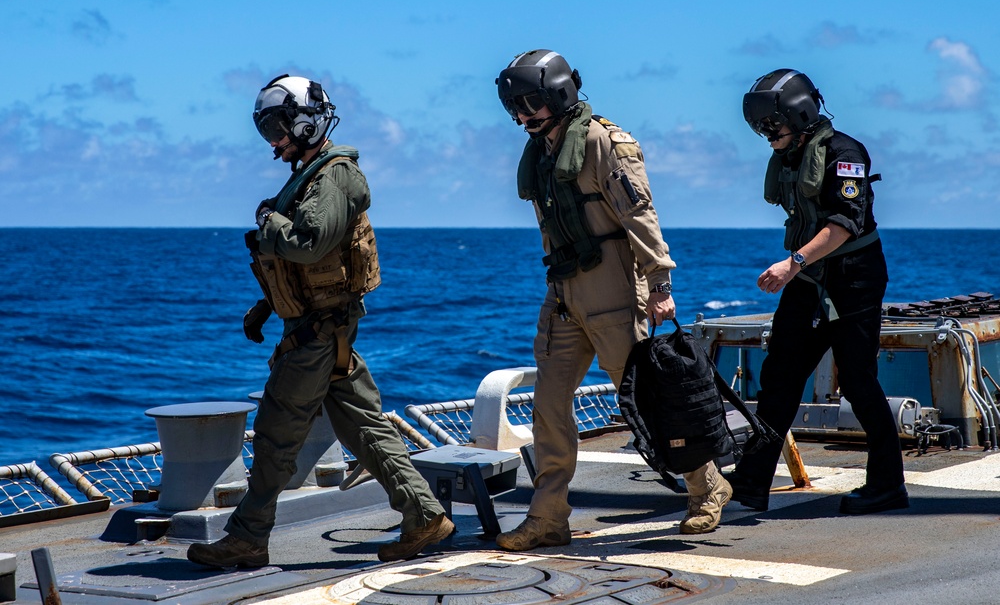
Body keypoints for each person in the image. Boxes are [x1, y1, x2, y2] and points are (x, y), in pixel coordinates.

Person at [187, 75, 453, 568]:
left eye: (278, 127)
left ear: (306, 121)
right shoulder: (311, 174)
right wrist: (269, 305)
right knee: (364, 427)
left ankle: (247, 538)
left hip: (317, 333)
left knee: (275, 433)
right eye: (267, 130)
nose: (274, 140)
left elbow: (310, 243)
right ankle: (424, 515)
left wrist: (269, 222)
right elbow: (309, 267)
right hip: (321, 327)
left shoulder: (333, 177)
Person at [493, 49, 732, 550]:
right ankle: (549, 516)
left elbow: (639, 216)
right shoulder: (543, 150)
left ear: (559, 94)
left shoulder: (603, 142)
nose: (522, 115)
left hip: (614, 291)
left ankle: (706, 486)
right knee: (549, 407)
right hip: (563, 296)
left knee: (650, 400)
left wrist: (660, 285)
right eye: (514, 106)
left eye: (531, 102)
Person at [733, 68, 908, 515]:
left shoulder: (845, 154)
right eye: (762, 127)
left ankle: (888, 485)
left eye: (772, 125)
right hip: (811, 279)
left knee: (857, 381)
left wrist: (792, 264)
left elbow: (845, 224)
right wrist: (801, 268)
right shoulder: (793, 153)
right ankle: (752, 484)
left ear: (800, 113)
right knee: (780, 379)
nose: (767, 134)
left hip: (854, 278)